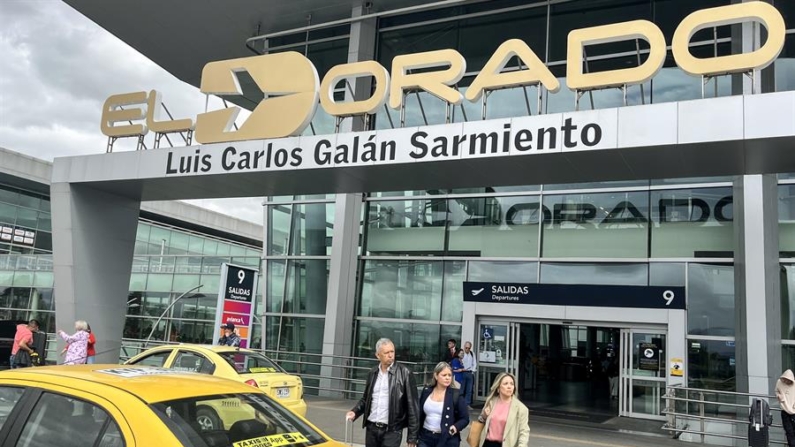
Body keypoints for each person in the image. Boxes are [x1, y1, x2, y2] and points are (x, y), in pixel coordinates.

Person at [346, 338, 419, 447]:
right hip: (372, 428)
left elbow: (413, 407)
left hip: (392, 430)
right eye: (386, 353)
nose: (390, 355)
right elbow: (366, 399)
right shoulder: (373, 373)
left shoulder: (405, 373)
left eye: (392, 351)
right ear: (378, 355)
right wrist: (355, 412)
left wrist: (412, 437)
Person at [418, 362, 468, 447]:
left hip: (447, 439)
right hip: (425, 437)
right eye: (444, 375)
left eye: (449, 375)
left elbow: (465, 418)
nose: (447, 378)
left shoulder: (456, 395)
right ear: (436, 376)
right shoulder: (426, 391)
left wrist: (455, 427)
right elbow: (418, 414)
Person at [476, 372, 529, 447]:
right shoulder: (491, 401)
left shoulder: (521, 409)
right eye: (505, 384)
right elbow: (481, 420)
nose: (509, 387)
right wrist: (484, 416)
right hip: (487, 444)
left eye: (512, 384)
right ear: (498, 387)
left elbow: (524, 432)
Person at [777, 369, 795, 446]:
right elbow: (776, 391)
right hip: (784, 411)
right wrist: (779, 396)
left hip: (794, 412)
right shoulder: (779, 383)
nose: (787, 382)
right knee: (789, 432)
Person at [461, 341, 477, 407]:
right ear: (464, 347)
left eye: (468, 348)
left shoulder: (472, 354)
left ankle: (467, 404)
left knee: (469, 389)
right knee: (462, 389)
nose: (467, 349)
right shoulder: (461, 353)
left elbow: (474, 363)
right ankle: (461, 403)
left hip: (469, 373)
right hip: (463, 372)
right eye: (466, 348)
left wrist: (472, 371)